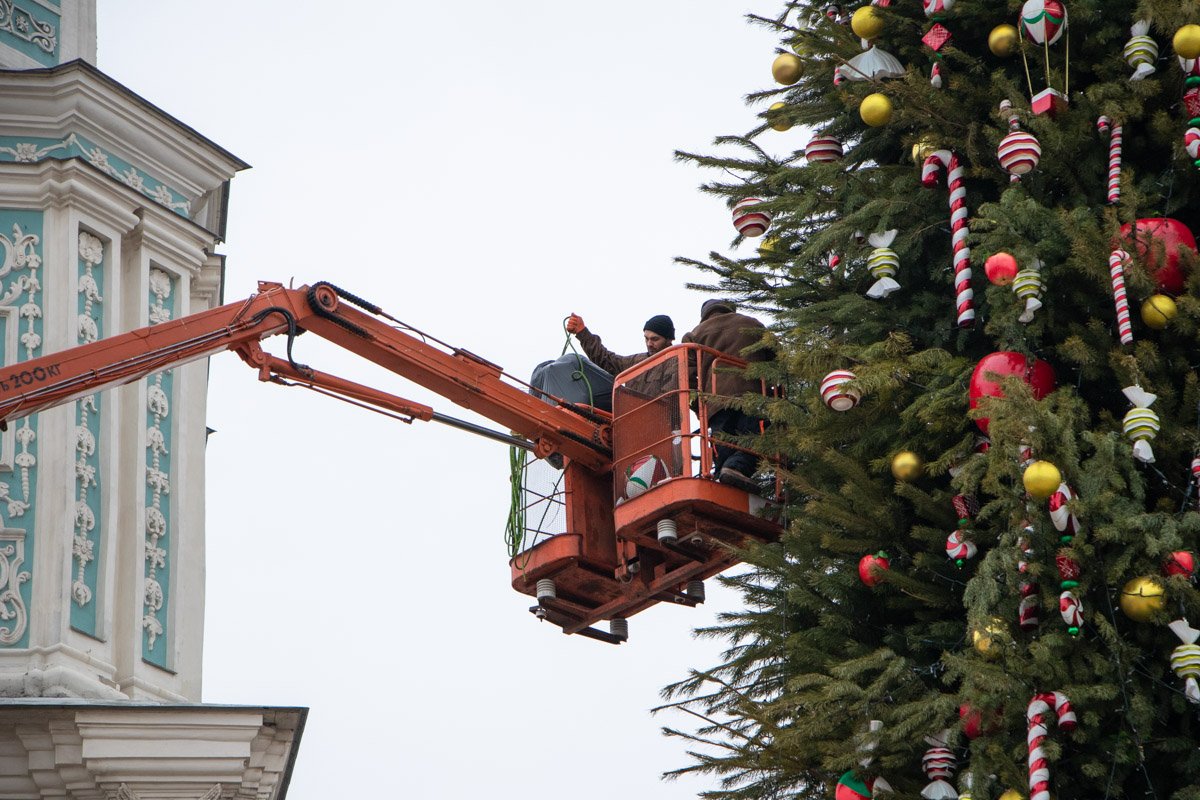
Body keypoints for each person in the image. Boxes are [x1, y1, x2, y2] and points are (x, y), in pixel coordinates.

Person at [681, 299, 773, 493]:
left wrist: (699, 408)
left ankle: (724, 478)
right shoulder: (751, 323)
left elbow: (685, 378)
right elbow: (776, 356)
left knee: (723, 447)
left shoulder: (694, 335)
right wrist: (773, 395)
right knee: (756, 441)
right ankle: (735, 470)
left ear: (704, 315)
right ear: (730, 309)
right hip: (752, 395)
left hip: (715, 404)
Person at [564, 313, 675, 375]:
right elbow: (607, 361)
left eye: (655, 339)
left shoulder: (680, 362)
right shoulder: (637, 362)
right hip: (633, 416)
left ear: (669, 339)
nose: (649, 344)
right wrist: (582, 332)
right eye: (646, 339)